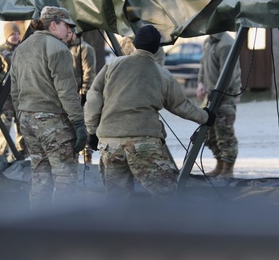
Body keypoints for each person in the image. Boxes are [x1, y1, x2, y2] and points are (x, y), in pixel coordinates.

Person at [85, 25, 212, 199]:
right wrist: (205, 117)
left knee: (116, 199)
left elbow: (92, 99)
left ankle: (118, 225)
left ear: (135, 43)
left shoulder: (112, 66)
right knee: (166, 195)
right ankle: (164, 225)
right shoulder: (162, 74)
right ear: (156, 48)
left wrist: (92, 132)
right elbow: (181, 106)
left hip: (110, 142)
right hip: (143, 142)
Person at [10, 6, 87, 207]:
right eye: (67, 26)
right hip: (52, 121)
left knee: (40, 174)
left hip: (28, 119)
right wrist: (79, 124)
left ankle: (37, 225)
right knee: (65, 177)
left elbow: (15, 90)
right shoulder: (58, 49)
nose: (70, 31)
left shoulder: (21, 48)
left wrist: (22, 115)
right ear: (54, 24)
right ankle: (62, 228)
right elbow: (67, 92)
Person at [196, 32, 240, 177]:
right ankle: (220, 165)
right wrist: (200, 83)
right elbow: (203, 64)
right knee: (209, 135)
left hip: (224, 98)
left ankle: (227, 170)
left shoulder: (226, 43)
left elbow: (228, 75)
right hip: (209, 97)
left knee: (224, 135)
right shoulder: (208, 42)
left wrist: (218, 93)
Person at [0, 21, 24, 161]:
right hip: (4, 98)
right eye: (12, 34)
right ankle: (1, 158)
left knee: (23, 130)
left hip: (21, 96)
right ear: (6, 36)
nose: (15, 36)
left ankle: (20, 157)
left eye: (17, 33)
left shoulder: (24, 50)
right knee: (3, 129)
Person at [67, 30, 96, 163]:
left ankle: (87, 160)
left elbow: (89, 72)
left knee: (83, 129)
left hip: (80, 95)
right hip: (67, 96)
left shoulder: (85, 49)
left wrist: (84, 93)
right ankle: (72, 160)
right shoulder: (63, 47)